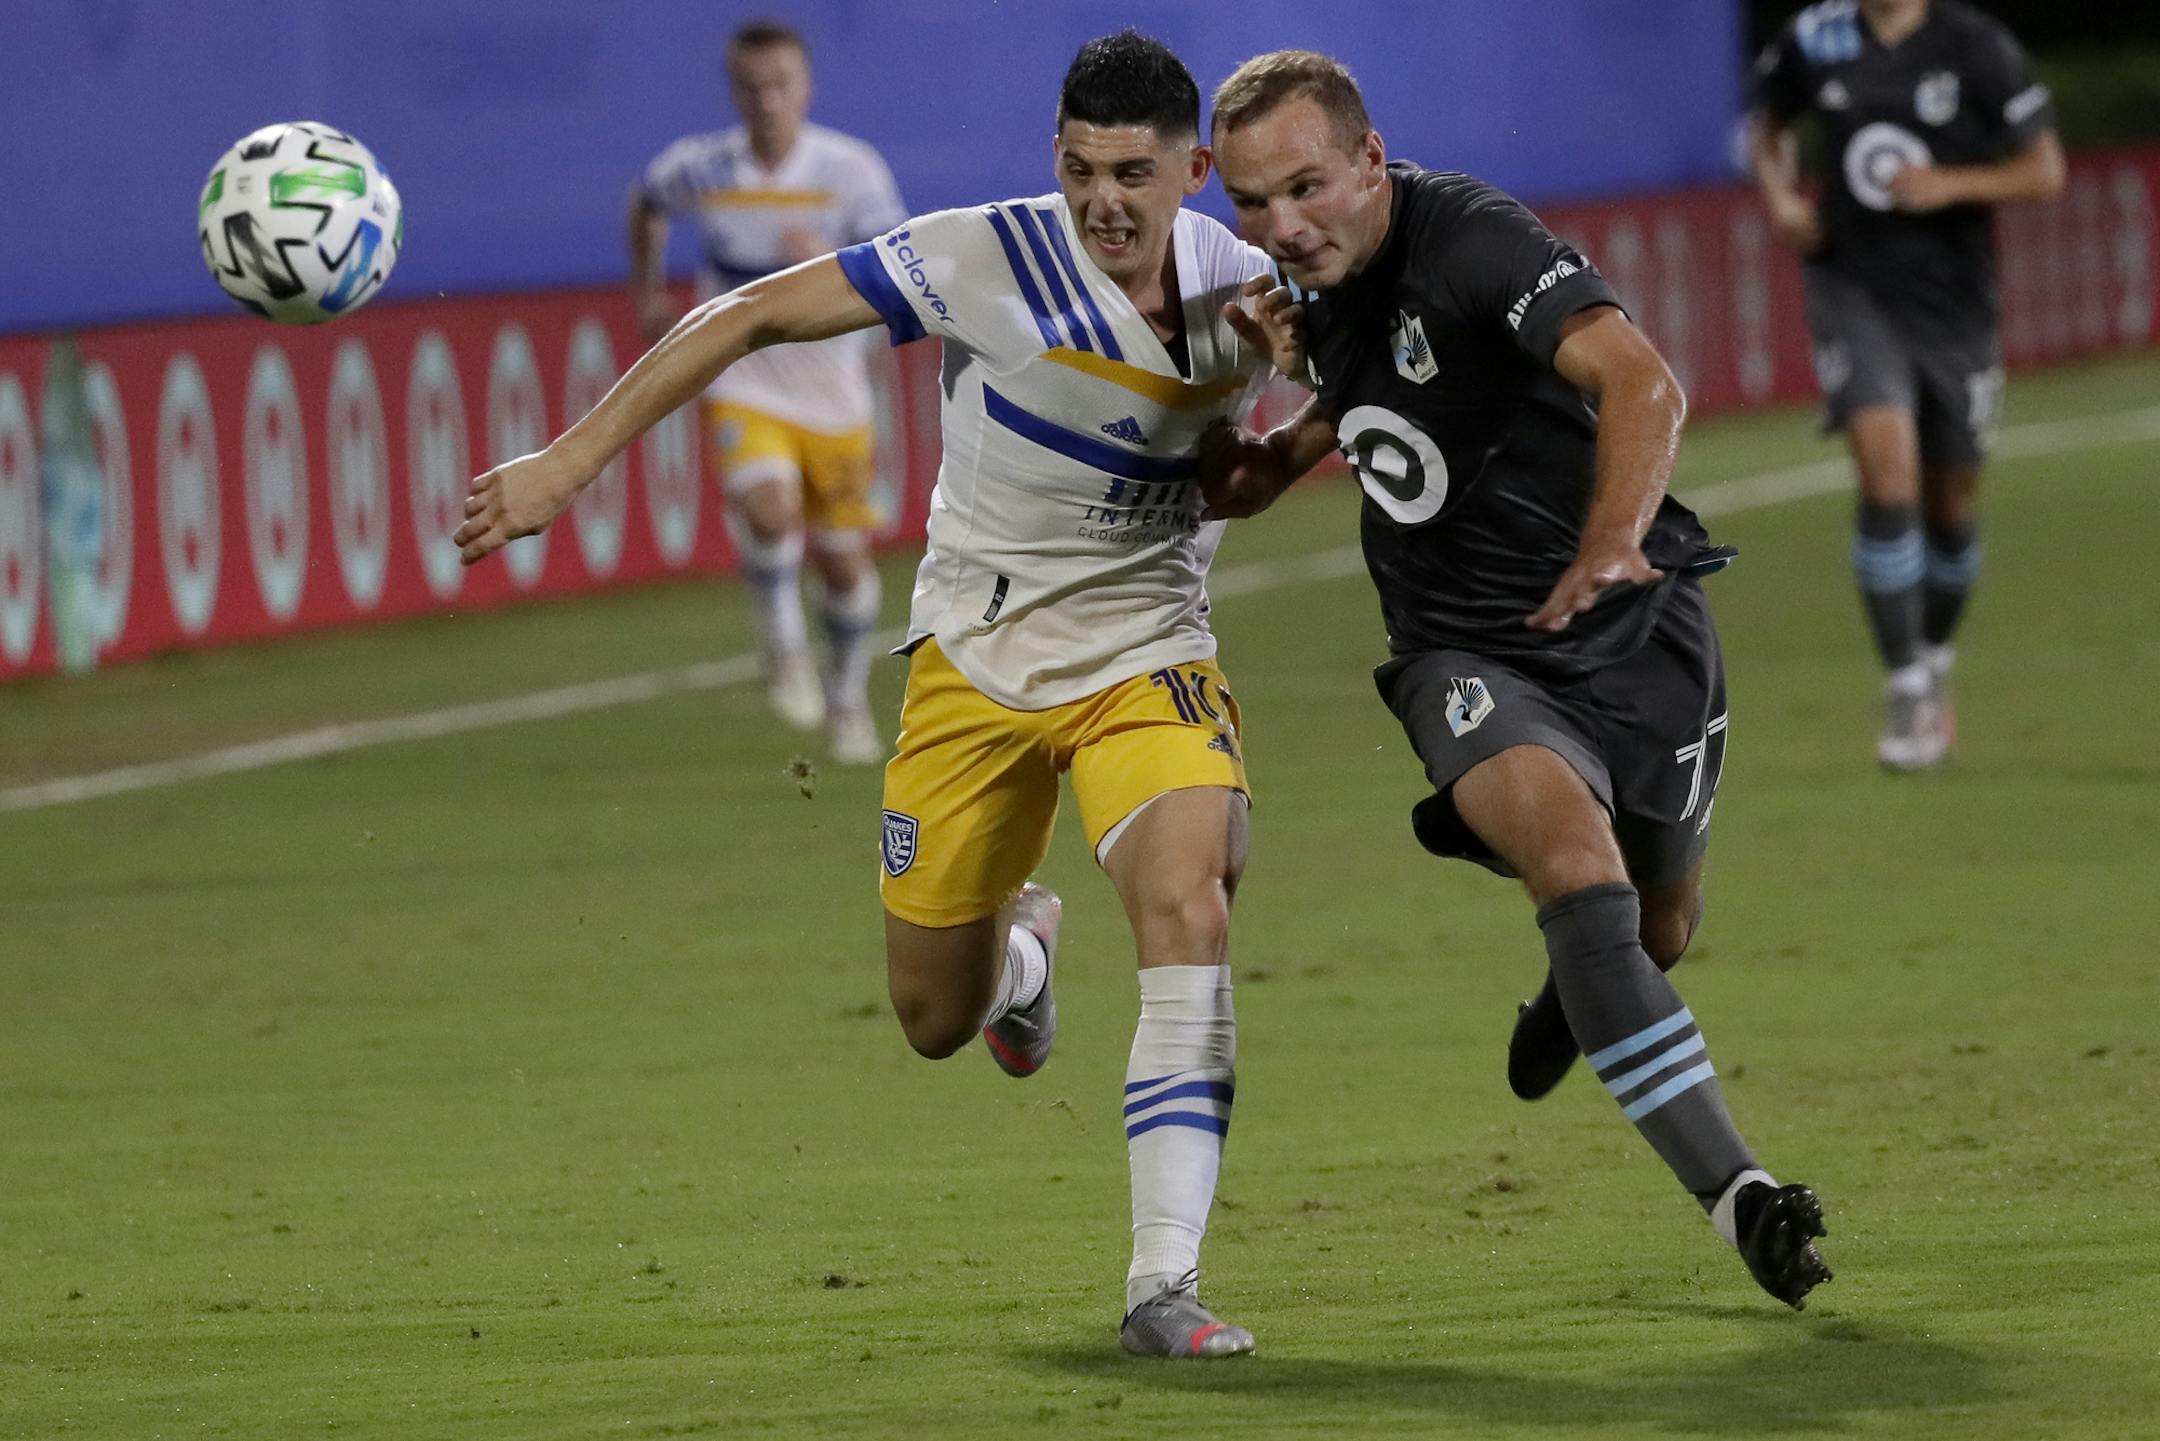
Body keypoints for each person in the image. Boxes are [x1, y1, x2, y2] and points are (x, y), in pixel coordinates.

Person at [462, 31, 1277, 1358]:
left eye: (1133, 172)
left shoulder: (1256, 286)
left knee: (1189, 898)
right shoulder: (981, 256)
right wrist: (569, 460)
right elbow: (748, 313)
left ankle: (1161, 1287)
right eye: (1079, 168)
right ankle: (1020, 960)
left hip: (1146, 651)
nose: (1104, 201)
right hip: (974, 655)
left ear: (1194, 169)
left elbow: (1351, 402)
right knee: (931, 1019)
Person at [1201, 50, 1834, 1310]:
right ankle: (1743, 1197)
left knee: (1658, 932)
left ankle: (1581, 985)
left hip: (1630, 627)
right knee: (1576, 867)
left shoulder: (1478, 239)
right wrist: (1280, 455)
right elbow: (1385, 387)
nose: (1282, 226)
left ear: (1371, 162)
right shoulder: (1304, 283)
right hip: (1464, 652)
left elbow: (1641, 378)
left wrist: (1611, 541)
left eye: (1305, 188)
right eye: (1253, 205)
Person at [1749, 0, 2064, 770]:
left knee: (1950, 503)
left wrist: (1950, 184)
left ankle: (1933, 653)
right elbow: (1769, 124)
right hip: (1852, 289)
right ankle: (1907, 679)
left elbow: (2044, 171)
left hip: (1954, 306)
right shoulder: (1817, 36)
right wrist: (1782, 199)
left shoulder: (1976, 46)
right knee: (1886, 469)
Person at [631, 19, 909, 764]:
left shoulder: (849, 170)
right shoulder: (707, 167)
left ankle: (847, 697)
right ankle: (784, 648)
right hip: (743, 374)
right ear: (734, 92)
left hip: (834, 390)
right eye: (752, 87)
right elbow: (647, 203)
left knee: (844, 562)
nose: (767, 100)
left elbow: (902, 265)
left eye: (780, 84)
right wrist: (650, 293)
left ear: (805, 87)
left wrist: (831, 261)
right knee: (769, 508)